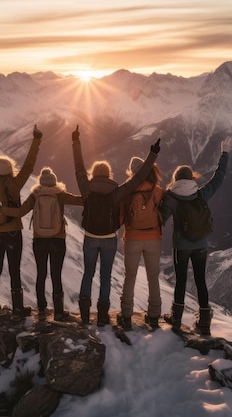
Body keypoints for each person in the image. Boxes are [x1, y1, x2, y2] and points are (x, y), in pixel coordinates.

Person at [72, 125, 161, 326]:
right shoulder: (117, 192)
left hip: (90, 237)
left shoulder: (86, 188)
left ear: (94, 174)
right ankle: (103, 315)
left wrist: (76, 142)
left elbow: (78, 167)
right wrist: (152, 155)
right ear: (109, 174)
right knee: (105, 275)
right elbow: (138, 178)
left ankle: (85, 313)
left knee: (88, 273)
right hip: (109, 239)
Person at [160, 138, 231, 336]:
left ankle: (176, 319)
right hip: (201, 244)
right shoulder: (201, 194)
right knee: (200, 280)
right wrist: (224, 153)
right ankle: (205, 321)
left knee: (181, 280)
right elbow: (219, 177)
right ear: (191, 178)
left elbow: (160, 218)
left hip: (181, 247)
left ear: (175, 179)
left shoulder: (170, 197)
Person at [0, 167, 83, 320]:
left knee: (41, 273)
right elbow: (80, 201)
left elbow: (20, 212)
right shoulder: (60, 195)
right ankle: (59, 312)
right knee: (56, 274)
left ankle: (41, 308)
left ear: (40, 182)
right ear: (55, 181)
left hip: (39, 239)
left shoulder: (35, 196)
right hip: (58, 239)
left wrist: (1, 209)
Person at [0, 125, 42, 319]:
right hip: (12, 232)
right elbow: (29, 166)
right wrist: (36, 141)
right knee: (14, 270)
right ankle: (18, 309)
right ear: (10, 169)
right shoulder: (13, 184)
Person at [117, 158, 164, 330]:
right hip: (153, 239)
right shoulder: (158, 192)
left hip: (132, 238)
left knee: (130, 277)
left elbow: (121, 218)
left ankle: (126, 316)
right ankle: (153, 316)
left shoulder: (127, 193)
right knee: (153, 277)